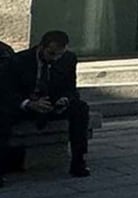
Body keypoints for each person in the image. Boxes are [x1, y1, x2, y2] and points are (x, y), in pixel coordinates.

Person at [2, 30, 91, 179]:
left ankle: (78, 161)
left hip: (52, 103)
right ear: (41, 47)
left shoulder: (68, 59)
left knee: (81, 108)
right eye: (51, 53)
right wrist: (28, 103)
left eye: (59, 54)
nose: (55, 58)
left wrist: (65, 99)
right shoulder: (19, 60)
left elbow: (71, 88)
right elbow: (6, 91)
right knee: (3, 115)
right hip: (25, 105)